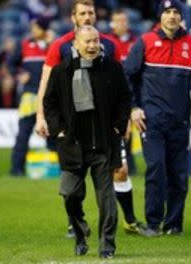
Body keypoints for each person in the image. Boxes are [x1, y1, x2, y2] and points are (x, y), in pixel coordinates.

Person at [34, 0, 145, 237]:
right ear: (73, 17)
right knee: (75, 174)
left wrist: (125, 116)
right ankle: (75, 223)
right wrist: (41, 117)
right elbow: (46, 84)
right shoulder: (59, 46)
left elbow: (120, 85)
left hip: (105, 124)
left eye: (90, 13)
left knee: (121, 170)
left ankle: (130, 220)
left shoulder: (110, 44)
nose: (87, 17)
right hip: (73, 125)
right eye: (82, 13)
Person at [125, 0, 191, 236]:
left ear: (181, 16)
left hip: (180, 121)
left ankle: (174, 224)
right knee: (156, 168)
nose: (172, 16)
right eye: (167, 12)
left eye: (176, 12)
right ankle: (153, 224)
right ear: (159, 16)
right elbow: (127, 76)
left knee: (179, 176)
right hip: (151, 120)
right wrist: (133, 107)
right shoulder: (144, 42)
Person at [43, 25, 131, 258]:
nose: (92, 46)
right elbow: (49, 103)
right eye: (87, 42)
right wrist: (59, 130)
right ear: (76, 44)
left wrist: (118, 126)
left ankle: (107, 246)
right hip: (73, 145)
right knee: (70, 194)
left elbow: (125, 98)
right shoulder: (61, 71)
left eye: (96, 41)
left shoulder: (112, 68)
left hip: (104, 145)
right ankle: (81, 233)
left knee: (107, 200)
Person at [109, 8, 146, 234]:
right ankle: (75, 222)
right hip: (108, 106)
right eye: (117, 20)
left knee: (121, 164)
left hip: (128, 103)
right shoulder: (106, 43)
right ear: (112, 24)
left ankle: (129, 220)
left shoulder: (137, 42)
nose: (121, 23)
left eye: (124, 19)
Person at [9, 17, 54, 176]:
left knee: (53, 135)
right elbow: (10, 63)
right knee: (23, 135)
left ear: (44, 30)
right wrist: (19, 74)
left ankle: (56, 169)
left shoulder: (54, 47)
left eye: (36, 28)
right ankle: (16, 170)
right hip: (30, 96)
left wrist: (50, 44)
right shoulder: (24, 45)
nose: (33, 31)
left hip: (50, 97)